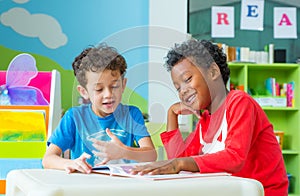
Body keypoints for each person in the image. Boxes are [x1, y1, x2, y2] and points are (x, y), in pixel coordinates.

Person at [131, 39, 288, 196]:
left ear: (213, 72)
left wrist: (178, 164)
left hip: (263, 192)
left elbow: (235, 157)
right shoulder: (206, 119)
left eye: (187, 79)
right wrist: (172, 114)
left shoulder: (240, 102)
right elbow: (177, 160)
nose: (183, 91)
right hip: (230, 191)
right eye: (178, 88)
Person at [42, 43, 157, 174]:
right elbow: (48, 159)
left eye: (114, 86)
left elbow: (151, 155)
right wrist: (71, 163)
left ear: (123, 85)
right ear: (84, 91)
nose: (108, 94)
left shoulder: (131, 114)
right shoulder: (74, 117)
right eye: (99, 89)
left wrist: (124, 152)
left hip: (122, 185)